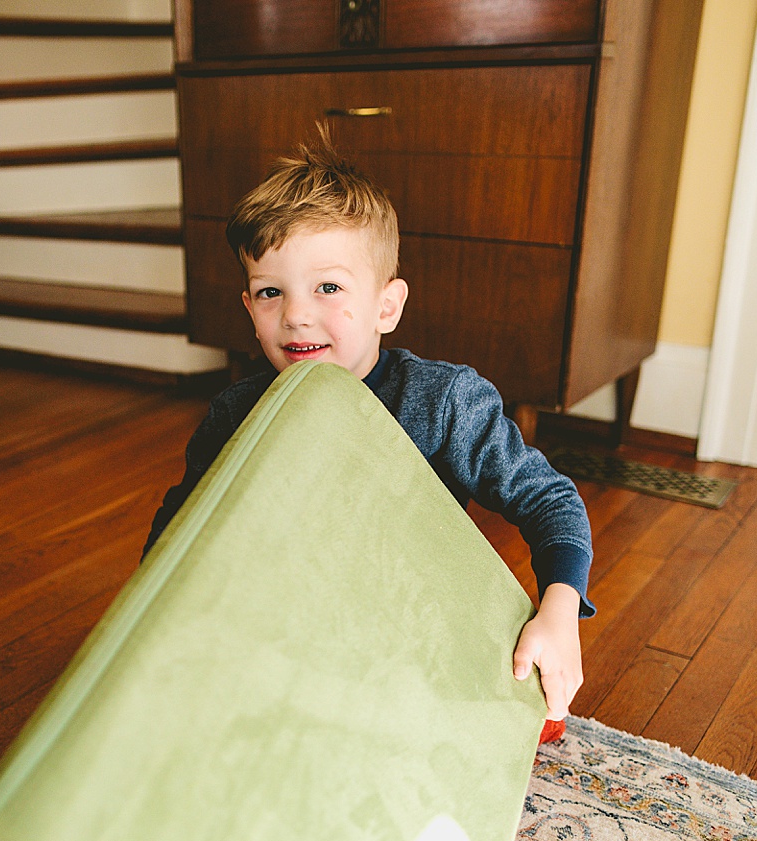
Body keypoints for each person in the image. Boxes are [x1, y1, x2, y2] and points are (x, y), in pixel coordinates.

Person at [144, 136, 593, 724]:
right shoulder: (235, 414)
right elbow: (177, 537)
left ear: (387, 306)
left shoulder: (442, 401)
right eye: (270, 292)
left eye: (328, 288)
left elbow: (550, 500)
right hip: (298, 627)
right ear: (248, 306)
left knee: (523, 707)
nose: (296, 314)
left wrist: (558, 612)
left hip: (419, 627)